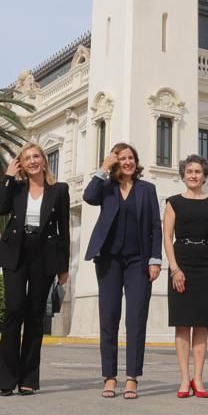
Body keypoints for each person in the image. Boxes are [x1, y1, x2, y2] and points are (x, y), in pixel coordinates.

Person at [83, 143, 162, 400]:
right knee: (109, 318)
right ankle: (109, 377)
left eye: (130, 158)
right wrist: (103, 168)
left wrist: (155, 259)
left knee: (136, 319)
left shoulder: (147, 190)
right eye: (122, 158)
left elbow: (154, 226)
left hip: (138, 262)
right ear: (116, 162)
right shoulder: (106, 188)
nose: (127, 162)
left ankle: (131, 378)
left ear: (136, 161)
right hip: (108, 260)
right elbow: (88, 197)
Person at [0, 142, 71, 397]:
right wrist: (7, 176)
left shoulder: (59, 190)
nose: (33, 161)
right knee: (14, 310)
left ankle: (28, 379)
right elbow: (1, 208)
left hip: (45, 253)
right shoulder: (15, 187)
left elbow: (63, 230)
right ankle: (6, 378)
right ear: (21, 164)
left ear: (44, 160)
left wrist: (63, 266)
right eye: (27, 158)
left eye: (36, 156)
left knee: (36, 315)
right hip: (15, 251)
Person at [163, 154, 208, 399]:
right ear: (183, 174)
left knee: (201, 323)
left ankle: (198, 379)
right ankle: (183, 380)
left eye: (198, 172)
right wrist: (174, 269)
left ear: (204, 175)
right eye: (189, 171)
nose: (193, 175)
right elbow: (167, 238)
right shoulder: (173, 202)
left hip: (205, 262)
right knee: (182, 323)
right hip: (181, 261)